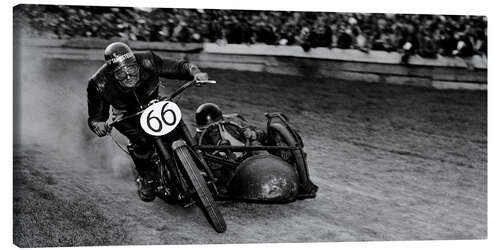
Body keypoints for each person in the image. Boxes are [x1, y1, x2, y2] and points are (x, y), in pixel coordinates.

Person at [87, 42, 209, 202]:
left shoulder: (148, 60)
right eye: (121, 74)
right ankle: (147, 178)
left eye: (131, 69)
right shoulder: (98, 84)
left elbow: (178, 66)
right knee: (142, 141)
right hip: (126, 115)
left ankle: (199, 164)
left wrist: (195, 73)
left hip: (154, 103)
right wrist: (99, 125)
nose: (128, 77)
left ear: (136, 64)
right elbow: (96, 117)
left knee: (176, 124)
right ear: (112, 74)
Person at [194, 103, 318, 199]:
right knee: (224, 185)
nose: (211, 132)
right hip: (233, 166)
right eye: (206, 129)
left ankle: (291, 176)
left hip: (253, 154)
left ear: (221, 121)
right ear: (201, 129)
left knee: (257, 143)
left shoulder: (235, 122)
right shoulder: (199, 140)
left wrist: (252, 134)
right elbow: (207, 167)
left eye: (214, 128)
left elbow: (262, 134)